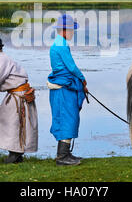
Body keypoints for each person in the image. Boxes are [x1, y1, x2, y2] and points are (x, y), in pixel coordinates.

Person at [0, 36, 38, 163]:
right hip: (15, 94)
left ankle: (15, 155)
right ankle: (15, 154)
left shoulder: (2, 59)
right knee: (8, 122)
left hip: (19, 96)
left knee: (13, 123)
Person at [47, 14, 88, 166]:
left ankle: (65, 154)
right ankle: (62, 156)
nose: (72, 33)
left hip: (62, 85)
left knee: (65, 118)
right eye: (71, 30)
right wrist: (83, 79)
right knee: (68, 118)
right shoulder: (61, 45)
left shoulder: (58, 43)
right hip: (65, 88)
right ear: (64, 30)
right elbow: (71, 67)